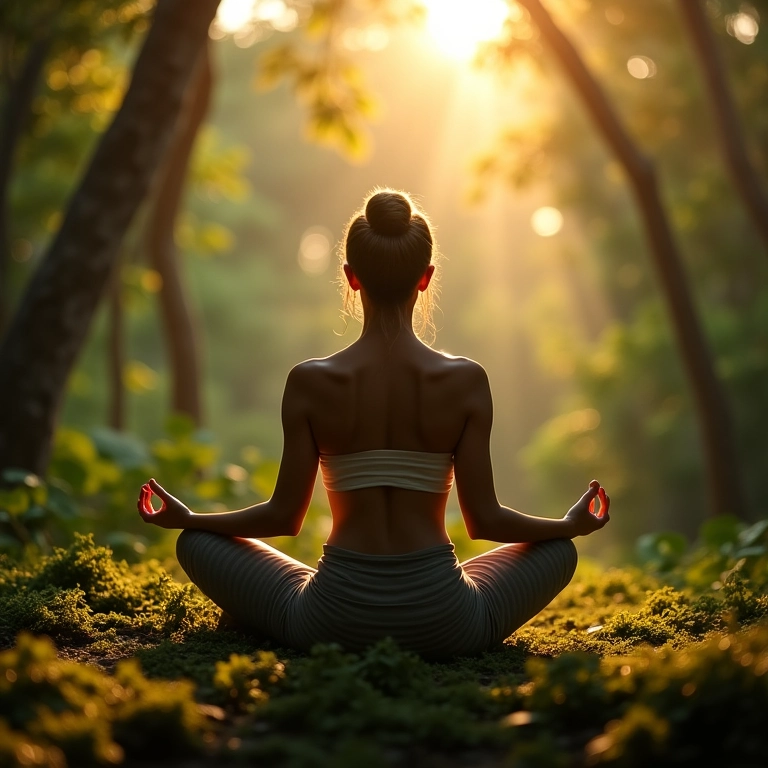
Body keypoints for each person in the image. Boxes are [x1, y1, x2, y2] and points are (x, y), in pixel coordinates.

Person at [137, 188, 610, 660]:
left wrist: (191, 519)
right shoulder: (466, 380)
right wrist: (567, 525)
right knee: (559, 551)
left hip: (328, 620)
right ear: (425, 279)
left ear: (350, 278)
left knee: (197, 544)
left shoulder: (309, 382)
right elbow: (485, 519)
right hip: (446, 621)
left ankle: (268, 616)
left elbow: (283, 517)